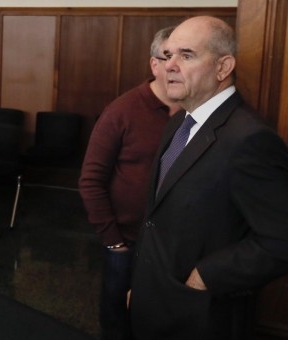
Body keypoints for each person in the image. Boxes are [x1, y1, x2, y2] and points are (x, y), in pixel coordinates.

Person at [128, 16, 288, 339]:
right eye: (167, 55)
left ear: (223, 67)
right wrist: (142, 287)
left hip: (199, 317)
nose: (169, 66)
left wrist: (205, 275)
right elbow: (157, 218)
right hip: (154, 301)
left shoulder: (250, 141)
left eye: (186, 55)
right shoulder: (179, 122)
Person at [78, 26, 180, 340]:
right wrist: (114, 242)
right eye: (169, 57)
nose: (177, 66)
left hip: (175, 243)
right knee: (117, 319)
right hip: (127, 241)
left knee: (163, 320)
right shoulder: (122, 111)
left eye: (187, 56)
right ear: (154, 64)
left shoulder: (196, 112)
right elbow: (90, 180)